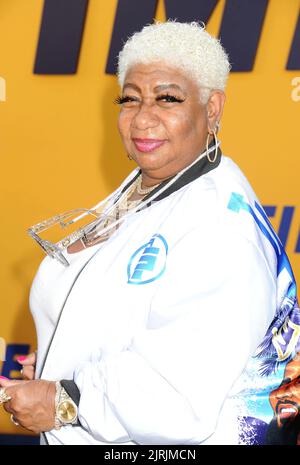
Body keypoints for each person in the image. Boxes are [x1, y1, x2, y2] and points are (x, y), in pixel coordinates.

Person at [0, 20, 299, 445]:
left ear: (212, 108)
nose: (143, 120)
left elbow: (176, 399)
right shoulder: (156, 184)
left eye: (168, 99)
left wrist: (62, 400)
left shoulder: (221, 232)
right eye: (131, 99)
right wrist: (62, 358)